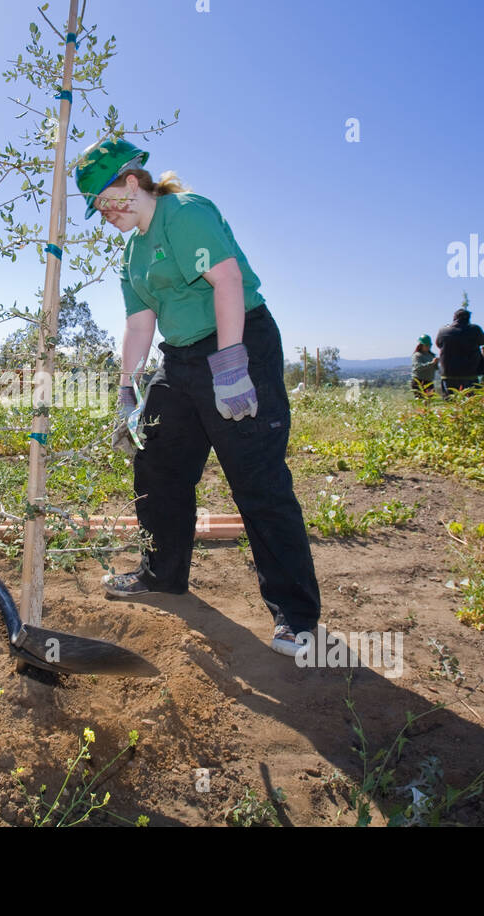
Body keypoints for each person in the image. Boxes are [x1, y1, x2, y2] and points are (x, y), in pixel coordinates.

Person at [77, 137, 321, 657]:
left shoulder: (183, 213)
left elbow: (228, 282)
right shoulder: (132, 252)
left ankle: (296, 616)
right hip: (182, 359)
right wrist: (127, 387)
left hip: (239, 342)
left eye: (106, 200)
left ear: (131, 182)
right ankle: (162, 573)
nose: (105, 214)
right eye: (96, 209)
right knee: (158, 464)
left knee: (257, 480)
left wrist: (232, 364)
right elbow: (140, 323)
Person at [435, 307, 484, 396]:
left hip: (448, 374)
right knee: (470, 403)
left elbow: (438, 344)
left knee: (451, 403)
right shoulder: (475, 330)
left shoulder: (443, 331)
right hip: (469, 373)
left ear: (454, 318)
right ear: (468, 319)